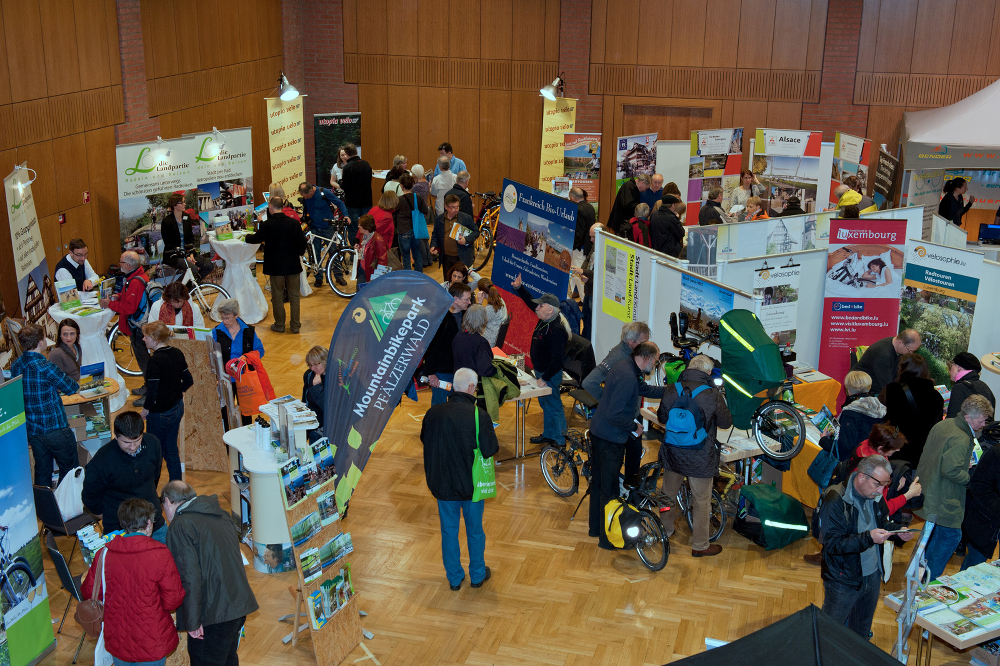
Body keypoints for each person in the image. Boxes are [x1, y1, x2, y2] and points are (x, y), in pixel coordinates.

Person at [161, 480, 259, 666]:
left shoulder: (180, 525)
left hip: (213, 614)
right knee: (228, 659)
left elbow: (189, 578)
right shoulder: (221, 514)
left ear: (168, 501)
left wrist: (192, 621)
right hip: (237, 605)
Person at [79, 498, 185, 666]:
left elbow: (89, 591)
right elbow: (173, 600)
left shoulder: (104, 554)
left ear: (123, 524)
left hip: (118, 639)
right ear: (149, 523)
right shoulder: (160, 554)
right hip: (152, 641)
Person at [420, 367, 499, 590]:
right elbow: (490, 449)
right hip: (471, 486)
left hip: (442, 485)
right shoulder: (479, 415)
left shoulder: (432, 413)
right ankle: (477, 575)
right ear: (471, 388)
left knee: (448, 532)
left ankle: (454, 578)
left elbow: (425, 440)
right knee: (475, 531)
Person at [820, 455, 914, 637]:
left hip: (872, 575)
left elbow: (882, 525)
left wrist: (898, 532)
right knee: (829, 633)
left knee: (861, 633)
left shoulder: (875, 495)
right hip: (843, 580)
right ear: (861, 476)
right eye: (878, 485)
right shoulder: (835, 500)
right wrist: (869, 538)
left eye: (885, 485)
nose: (881, 491)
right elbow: (833, 545)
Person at [657, 354, 733, 557]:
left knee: (667, 495)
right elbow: (726, 423)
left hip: (672, 452)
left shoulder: (672, 388)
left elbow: (662, 417)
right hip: (700, 455)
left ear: (689, 368)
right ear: (708, 372)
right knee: (701, 501)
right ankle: (700, 545)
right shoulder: (713, 393)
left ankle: (665, 530)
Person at [589, 342, 660, 549]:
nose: (655, 365)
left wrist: (671, 389)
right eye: (655, 360)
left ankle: (595, 528)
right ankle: (608, 539)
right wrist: (633, 426)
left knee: (598, 484)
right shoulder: (628, 377)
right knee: (609, 490)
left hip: (600, 433)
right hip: (610, 439)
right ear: (645, 358)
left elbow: (644, 388)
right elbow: (615, 414)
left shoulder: (625, 365)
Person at [916, 395, 994, 580]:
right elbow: (950, 471)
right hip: (945, 501)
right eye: (981, 419)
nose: (984, 424)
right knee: (950, 538)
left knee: (930, 542)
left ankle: (919, 582)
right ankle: (929, 582)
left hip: (929, 492)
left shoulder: (944, 424)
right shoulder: (962, 438)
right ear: (968, 417)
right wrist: (968, 477)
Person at [583, 321, 656, 475]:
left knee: (634, 455)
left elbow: (641, 387)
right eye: (644, 342)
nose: (647, 347)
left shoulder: (632, 355)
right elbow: (589, 382)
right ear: (631, 342)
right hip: (620, 421)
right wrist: (608, 401)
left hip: (630, 416)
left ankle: (630, 488)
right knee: (618, 466)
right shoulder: (617, 357)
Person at [82, 411, 167, 541]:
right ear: (116, 437)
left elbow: (155, 476)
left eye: (137, 440)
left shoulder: (153, 443)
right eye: (126, 442)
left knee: (164, 558)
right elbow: (90, 498)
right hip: (119, 530)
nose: (132, 447)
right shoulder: (101, 461)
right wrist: (111, 516)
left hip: (154, 523)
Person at [11, 323, 79, 486]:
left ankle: (45, 508)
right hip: (55, 428)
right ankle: (65, 507)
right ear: (41, 342)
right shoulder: (46, 367)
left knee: (42, 470)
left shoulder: (16, 365)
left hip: (33, 430)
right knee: (70, 469)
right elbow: (71, 387)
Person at [512, 274, 570, 448]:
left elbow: (558, 360)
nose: (537, 308)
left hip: (549, 373)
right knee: (545, 403)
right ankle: (548, 434)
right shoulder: (546, 318)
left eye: (541, 305)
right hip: (541, 371)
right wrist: (519, 288)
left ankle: (560, 440)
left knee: (554, 405)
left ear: (550, 309)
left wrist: (544, 378)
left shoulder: (557, 330)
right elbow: (531, 302)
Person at [245, 195, 307, 333]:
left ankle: (279, 325)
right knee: (294, 296)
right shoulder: (293, 223)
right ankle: (295, 326)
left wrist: (246, 237)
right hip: (292, 265)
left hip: (275, 267)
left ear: (271, 208)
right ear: (283, 207)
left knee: (277, 296)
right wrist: (298, 253)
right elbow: (302, 243)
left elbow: (255, 239)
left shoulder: (267, 225)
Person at [140, 321, 193, 481]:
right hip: (177, 408)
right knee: (171, 449)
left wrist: (145, 409)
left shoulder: (155, 361)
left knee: (153, 451)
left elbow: (153, 391)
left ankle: (150, 490)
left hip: (160, 413)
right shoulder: (177, 352)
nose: (143, 339)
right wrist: (176, 392)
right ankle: (176, 487)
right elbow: (189, 380)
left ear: (155, 339)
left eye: (146, 337)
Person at [101, 251, 151, 402]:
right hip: (138, 325)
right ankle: (147, 385)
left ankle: (149, 393)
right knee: (143, 360)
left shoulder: (135, 281)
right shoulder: (136, 276)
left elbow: (130, 308)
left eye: (121, 262)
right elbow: (130, 299)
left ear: (128, 265)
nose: (119, 265)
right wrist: (119, 297)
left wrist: (110, 303)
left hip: (138, 328)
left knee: (144, 361)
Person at [882, 353, 944, 467]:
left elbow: (885, 419)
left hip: (898, 449)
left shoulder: (893, 390)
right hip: (924, 453)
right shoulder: (937, 396)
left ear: (903, 368)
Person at [212, 299, 264, 424]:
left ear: (236, 315)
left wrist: (247, 358)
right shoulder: (216, 332)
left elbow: (260, 350)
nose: (225, 321)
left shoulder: (248, 331)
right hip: (225, 379)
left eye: (228, 318)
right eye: (223, 318)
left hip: (243, 379)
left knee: (246, 411)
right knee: (224, 410)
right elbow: (211, 354)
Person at [422, 283, 473, 405]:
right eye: (466, 299)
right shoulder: (441, 320)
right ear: (455, 299)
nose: (470, 302)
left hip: (457, 371)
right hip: (441, 373)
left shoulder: (464, 315)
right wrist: (431, 373)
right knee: (439, 407)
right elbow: (431, 347)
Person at [297, 181, 349, 287]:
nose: (306, 198)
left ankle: (339, 276)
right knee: (315, 254)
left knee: (334, 252)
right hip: (314, 227)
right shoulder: (307, 197)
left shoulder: (323, 192)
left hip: (327, 227)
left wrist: (346, 216)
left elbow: (339, 203)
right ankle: (318, 278)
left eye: (308, 196)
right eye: (304, 197)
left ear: (311, 190)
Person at [962, 442, 1000, 570]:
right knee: (973, 568)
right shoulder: (995, 453)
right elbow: (978, 484)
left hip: (988, 519)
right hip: (985, 522)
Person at [851, 329, 921, 397]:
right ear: (901, 343)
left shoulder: (896, 346)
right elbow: (887, 386)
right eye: (910, 351)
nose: (911, 353)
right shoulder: (883, 355)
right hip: (862, 388)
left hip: (877, 385)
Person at [836, 371, 886, 460]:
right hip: (872, 457)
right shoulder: (880, 409)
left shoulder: (850, 413)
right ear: (869, 388)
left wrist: (824, 441)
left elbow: (844, 446)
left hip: (851, 460)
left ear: (848, 390)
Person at [431, 193, 479, 279]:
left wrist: (466, 239)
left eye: (457, 207)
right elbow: (435, 234)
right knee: (448, 281)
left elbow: (476, 232)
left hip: (461, 257)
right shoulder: (439, 219)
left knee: (461, 284)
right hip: (446, 258)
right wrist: (434, 245)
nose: (456, 209)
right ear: (446, 207)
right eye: (453, 207)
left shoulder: (465, 218)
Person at [394, 173, 428, 273]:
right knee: (417, 255)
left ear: (401, 186)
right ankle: (419, 277)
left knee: (405, 257)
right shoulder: (418, 197)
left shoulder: (398, 200)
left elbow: (394, 216)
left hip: (403, 231)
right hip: (416, 231)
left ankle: (407, 279)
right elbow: (425, 211)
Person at [452, 305, 496, 380]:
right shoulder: (481, 342)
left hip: (458, 380)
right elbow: (485, 370)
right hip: (473, 383)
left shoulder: (458, 336)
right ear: (483, 320)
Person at [947, 352, 996, 419]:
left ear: (959, 367)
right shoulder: (985, 387)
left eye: (952, 366)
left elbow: (952, 420)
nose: (950, 371)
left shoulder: (959, 387)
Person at [339, 143, 373, 239]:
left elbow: (345, 186)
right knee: (367, 227)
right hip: (366, 201)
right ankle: (367, 249)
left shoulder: (347, 168)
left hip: (353, 203)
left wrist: (340, 183)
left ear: (346, 154)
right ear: (356, 152)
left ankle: (354, 250)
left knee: (353, 228)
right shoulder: (366, 164)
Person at [302, 346, 326, 440]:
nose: (312, 368)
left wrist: (317, 387)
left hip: (326, 428)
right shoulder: (308, 375)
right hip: (311, 425)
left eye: (315, 364)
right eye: (309, 365)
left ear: (325, 361)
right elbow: (305, 401)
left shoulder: (335, 379)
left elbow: (327, 407)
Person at [476, 278, 508, 347]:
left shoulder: (490, 308)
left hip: (489, 341)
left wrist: (479, 303)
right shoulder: (500, 300)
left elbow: (476, 323)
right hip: (496, 337)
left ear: (481, 292)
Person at [356, 214, 388, 282]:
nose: (358, 226)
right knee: (359, 292)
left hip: (371, 274)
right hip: (362, 271)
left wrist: (377, 279)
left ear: (365, 227)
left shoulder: (378, 239)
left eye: (359, 225)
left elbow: (382, 261)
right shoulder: (363, 237)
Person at [569, 187, 597, 253]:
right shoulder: (590, 206)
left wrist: (573, 246)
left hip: (580, 249)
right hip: (589, 246)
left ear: (572, 197)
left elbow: (580, 232)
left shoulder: (578, 210)